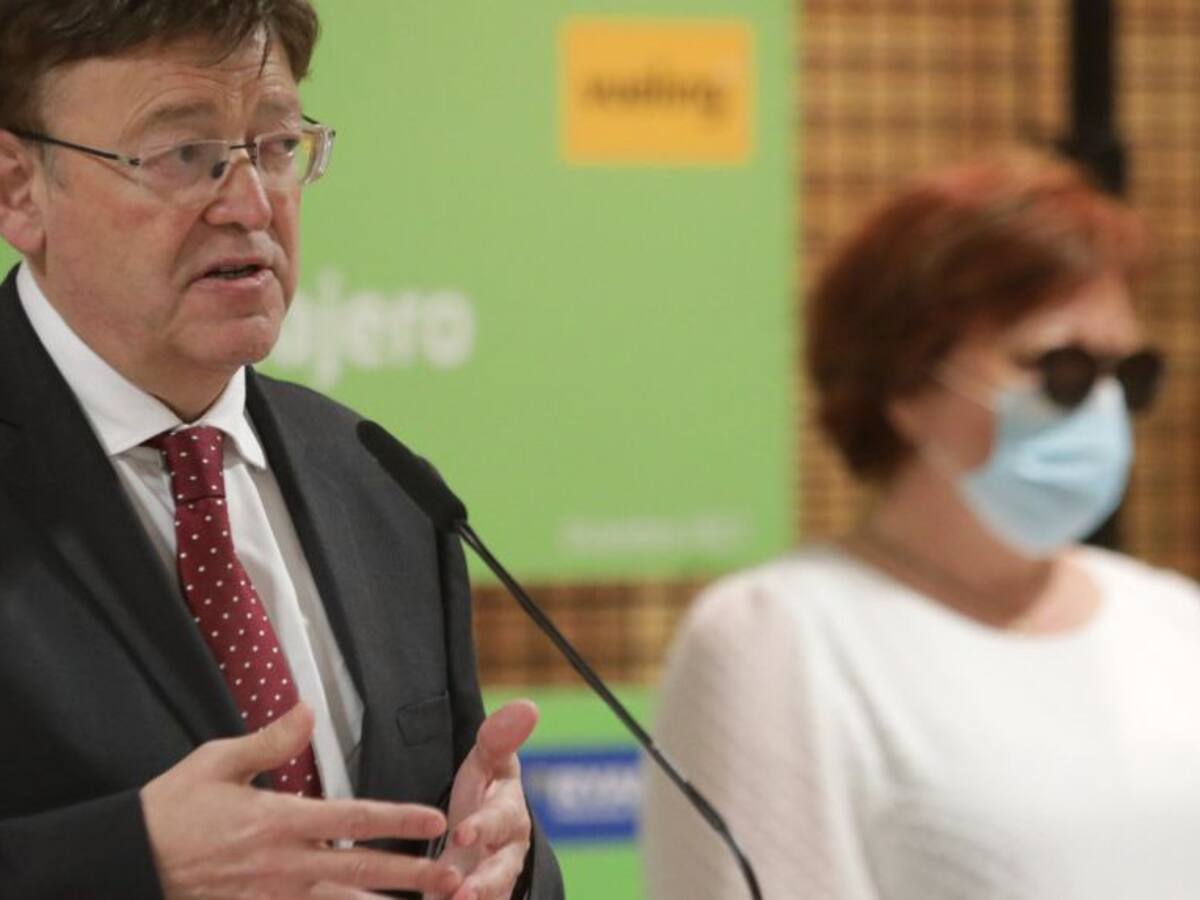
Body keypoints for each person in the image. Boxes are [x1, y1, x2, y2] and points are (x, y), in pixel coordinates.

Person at [0, 2, 563, 898]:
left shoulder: (382, 486)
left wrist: (499, 862)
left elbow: (457, 828)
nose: (252, 204)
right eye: (185, 153)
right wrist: (135, 863)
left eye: (274, 147)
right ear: (19, 190)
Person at [641, 155, 1200, 898]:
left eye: (1127, 376)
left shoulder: (1173, 622)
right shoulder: (776, 637)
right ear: (907, 380)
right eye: (1060, 369)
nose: (1101, 409)